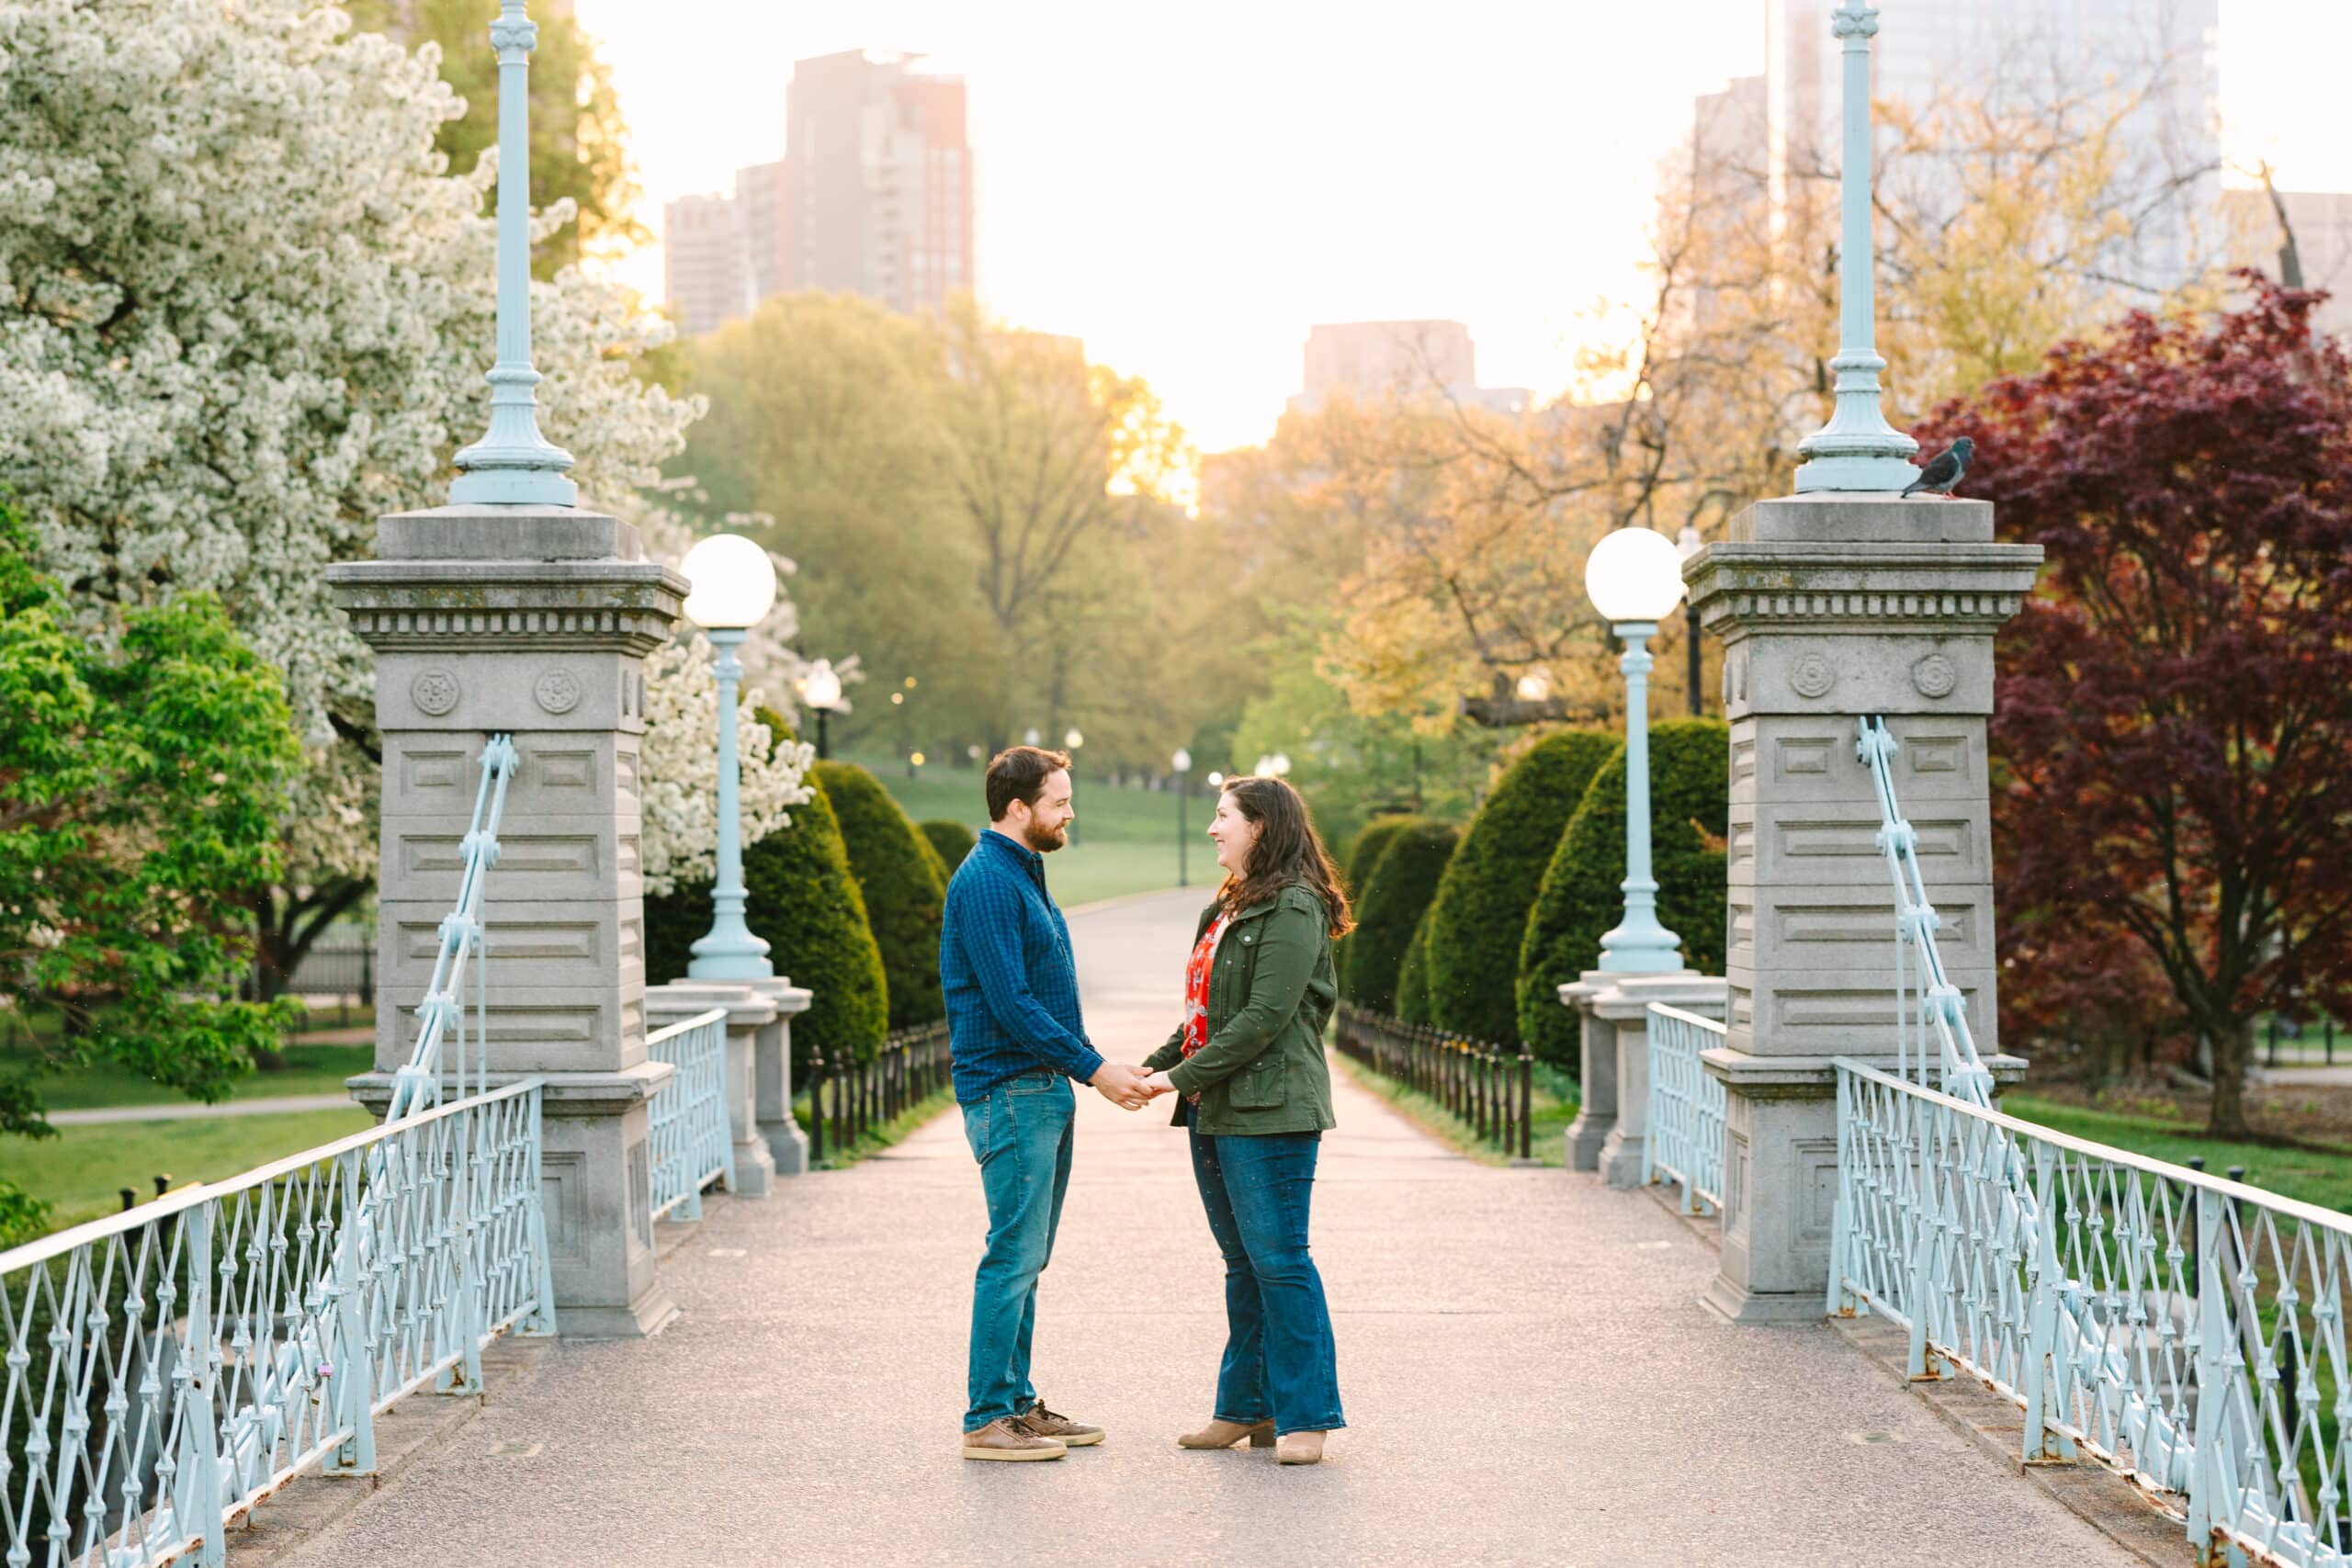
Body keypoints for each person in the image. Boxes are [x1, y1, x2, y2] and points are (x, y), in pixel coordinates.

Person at [940, 745, 1156, 1461]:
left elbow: (1043, 995)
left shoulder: (1020, 874)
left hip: (1039, 1089)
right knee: (1012, 1255)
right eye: (1059, 801)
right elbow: (1011, 1003)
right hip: (1011, 1091)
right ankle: (985, 1417)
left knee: (1029, 1256)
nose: (1070, 812)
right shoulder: (989, 882)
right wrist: (1095, 1069)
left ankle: (1016, 1402)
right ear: (1018, 807)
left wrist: (1086, 1068)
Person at [1138, 774, 1351, 1465]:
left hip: (1272, 1111)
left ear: (1261, 826)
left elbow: (1265, 1018)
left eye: (1223, 815)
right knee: (1243, 1264)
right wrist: (1155, 1065)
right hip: (1218, 1110)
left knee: (1281, 1261)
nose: (1212, 827)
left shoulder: (1295, 906)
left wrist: (1180, 1076)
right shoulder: (1226, 907)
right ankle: (1246, 1407)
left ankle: (1308, 1416)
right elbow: (1207, 1012)